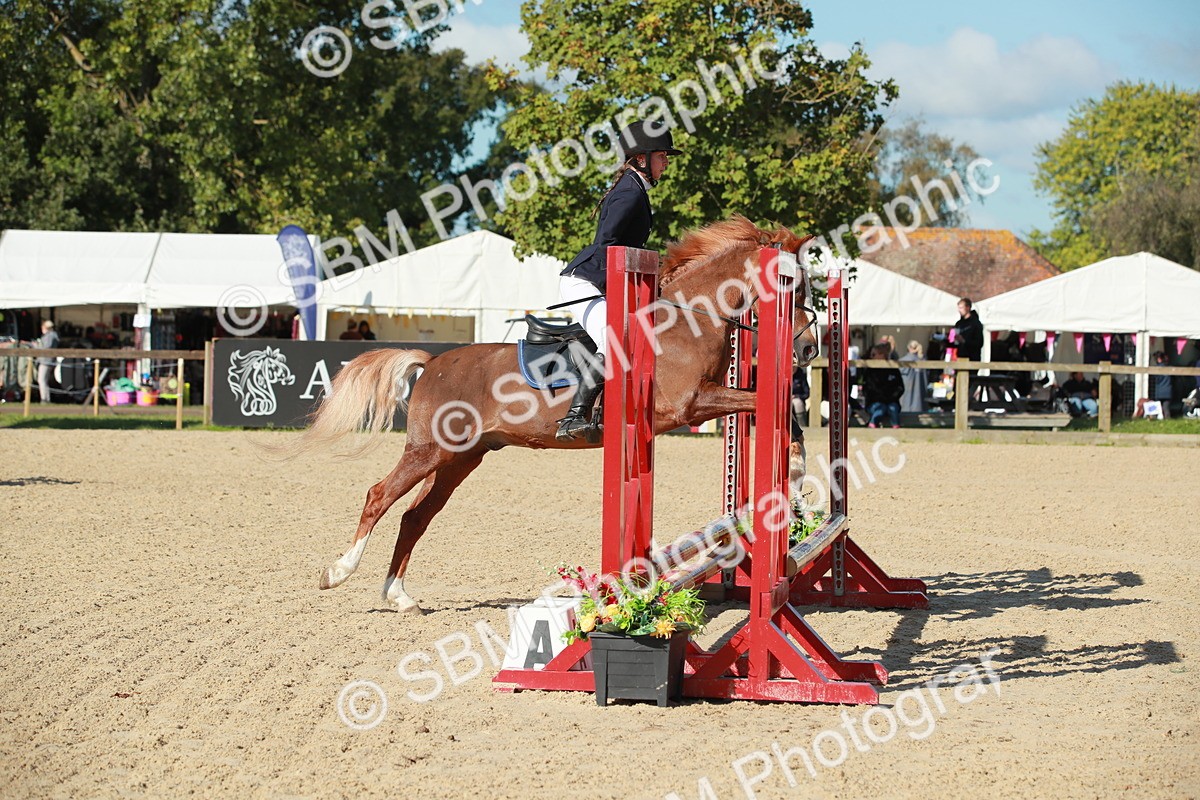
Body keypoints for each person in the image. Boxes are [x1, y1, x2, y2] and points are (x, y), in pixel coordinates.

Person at [554, 119, 681, 441]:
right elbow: (609, 245)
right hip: (587, 282)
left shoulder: (635, 188)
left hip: (603, 281)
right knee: (615, 343)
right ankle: (572, 417)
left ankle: (604, 409)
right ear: (642, 158)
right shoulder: (630, 193)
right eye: (662, 156)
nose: (666, 162)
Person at [862, 343, 903, 428]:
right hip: (873, 402)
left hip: (892, 401)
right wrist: (880, 398)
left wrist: (891, 398)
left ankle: (897, 430)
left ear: (882, 355)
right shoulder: (870, 371)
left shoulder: (893, 370)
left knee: (893, 409)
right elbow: (867, 389)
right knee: (880, 408)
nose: (871, 357)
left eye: (873, 354)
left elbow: (900, 387)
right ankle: (871, 426)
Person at [898, 340, 927, 413]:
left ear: (908, 348)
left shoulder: (902, 361)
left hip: (905, 400)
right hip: (919, 402)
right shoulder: (923, 361)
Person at [34, 320, 59, 403]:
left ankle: (44, 399)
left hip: (45, 361)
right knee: (44, 380)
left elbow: (46, 347)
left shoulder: (49, 336)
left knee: (41, 380)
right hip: (48, 361)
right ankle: (46, 398)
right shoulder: (53, 335)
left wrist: (35, 345)